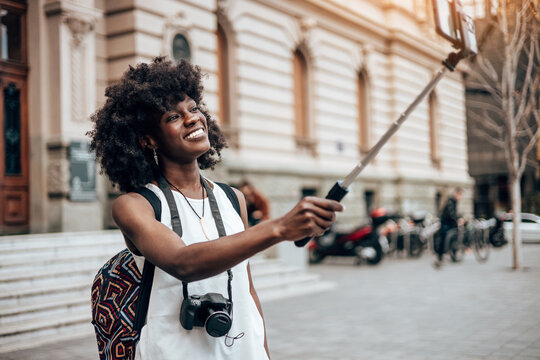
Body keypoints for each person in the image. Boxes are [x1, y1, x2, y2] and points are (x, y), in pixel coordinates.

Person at [87, 57, 343, 360]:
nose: (193, 118)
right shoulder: (135, 205)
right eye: (173, 117)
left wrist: (263, 351)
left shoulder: (233, 198)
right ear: (148, 139)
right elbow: (182, 263)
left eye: (194, 109)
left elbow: (246, 290)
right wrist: (278, 229)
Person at [435, 187, 464, 268]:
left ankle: (453, 254)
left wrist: (458, 218)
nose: (460, 197)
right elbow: (451, 213)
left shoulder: (454, 201)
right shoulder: (451, 201)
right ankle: (440, 256)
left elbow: (454, 213)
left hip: (449, 222)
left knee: (453, 237)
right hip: (446, 222)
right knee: (443, 238)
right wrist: (457, 219)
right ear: (456, 194)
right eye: (460, 195)